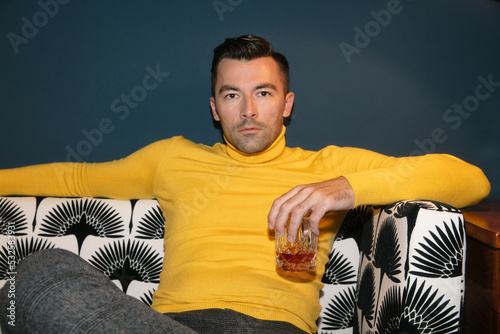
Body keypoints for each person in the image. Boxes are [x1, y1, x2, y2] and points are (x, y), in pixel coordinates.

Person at [0, 35, 490, 333]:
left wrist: (342, 189)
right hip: (164, 325)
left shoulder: (327, 164)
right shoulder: (172, 157)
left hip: (272, 329)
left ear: (287, 103)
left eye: (263, 93)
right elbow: (75, 178)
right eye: (232, 95)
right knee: (41, 272)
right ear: (215, 108)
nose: (249, 111)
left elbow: (470, 178)